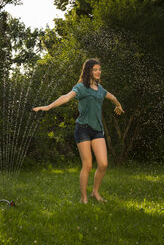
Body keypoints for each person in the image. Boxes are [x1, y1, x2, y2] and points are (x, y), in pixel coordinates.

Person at [33, 58, 124, 204]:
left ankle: (95, 192)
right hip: (82, 129)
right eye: (95, 69)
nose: (98, 72)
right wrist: (49, 107)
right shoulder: (81, 87)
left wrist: (118, 105)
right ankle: (84, 197)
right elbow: (66, 97)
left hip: (97, 130)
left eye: (99, 69)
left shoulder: (100, 90)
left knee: (103, 164)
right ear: (89, 71)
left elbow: (112, 97)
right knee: (87, 165)